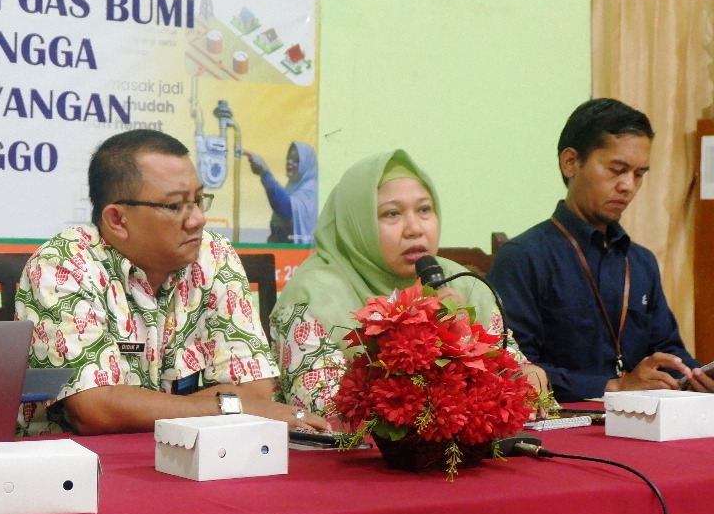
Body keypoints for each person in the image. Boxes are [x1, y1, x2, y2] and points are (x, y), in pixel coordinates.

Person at [15, 129, 329, 436]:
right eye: (176, 205)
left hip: (197, 460)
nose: (198, 220)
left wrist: (146, 407)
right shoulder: (64, 263)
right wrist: (226, 407)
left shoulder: (213, 254)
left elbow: (255, 391)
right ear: (117, 220)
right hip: (79, 470)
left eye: (198, 200)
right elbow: (95, 410)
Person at [271, 149, 546, 416]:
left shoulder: (465, 283)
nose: (415, 228)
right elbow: (324, 409)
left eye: (424, 209)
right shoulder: (314, 294)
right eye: (392, 214)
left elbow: (512, 373)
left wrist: (527, 378)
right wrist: (425, 335)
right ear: (356, 223)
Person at [488, 99, 714, 402]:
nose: (628, 186)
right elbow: (512, 368)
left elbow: (667, 351)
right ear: (570, 162)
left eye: (639, 174)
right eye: (617, 170)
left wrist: (695, 377)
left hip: (641, 423)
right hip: (563, 426)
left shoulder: (641, 261)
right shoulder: (523, 257)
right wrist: (614, 386)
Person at [244, 141, 318, 244]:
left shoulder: (310, 189)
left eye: (296, 159)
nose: (289, 162)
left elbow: (285, 209)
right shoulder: (293, 186)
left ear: (307, 163)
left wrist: (264, 172)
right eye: (289, 158)